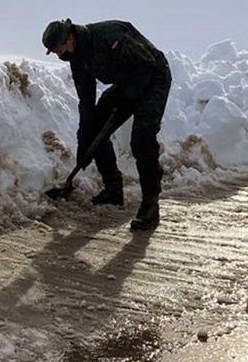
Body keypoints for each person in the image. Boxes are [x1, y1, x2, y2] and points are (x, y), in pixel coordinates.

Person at [42, 18, 173, 231]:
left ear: (69, 38)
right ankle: (113, 189)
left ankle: (150, 205)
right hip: (127, 82)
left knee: (142, 139)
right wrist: (85, 138)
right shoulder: (77, 58)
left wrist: (130, 96)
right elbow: (86, 100)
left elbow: (146, 63)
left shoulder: (107, 36)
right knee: (96, 125)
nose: (58, 55)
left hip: (154, 76)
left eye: (57, 49)